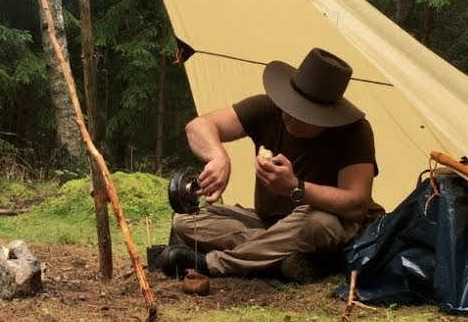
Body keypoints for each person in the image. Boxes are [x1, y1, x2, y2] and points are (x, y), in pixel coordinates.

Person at [157, 47, 378, 282]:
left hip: (327, 224)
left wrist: (296, 187)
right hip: (268, 224)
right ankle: (280, 260)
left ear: (325, 118)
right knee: (185, 221)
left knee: (316, 224)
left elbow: (357, 205)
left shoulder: (354, 132)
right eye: (288, 105)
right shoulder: (269, 108)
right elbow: (198, 126)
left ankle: (213, 264)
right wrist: (218, 156)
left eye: (300, 112)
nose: (287, 115)